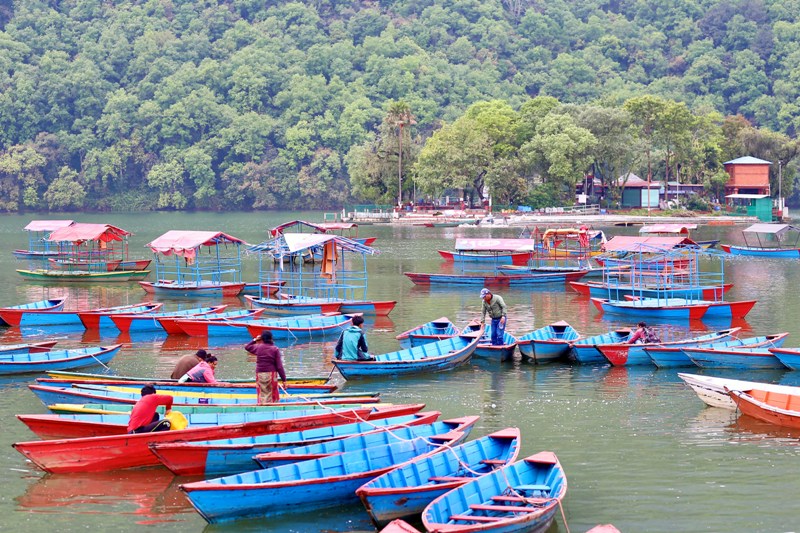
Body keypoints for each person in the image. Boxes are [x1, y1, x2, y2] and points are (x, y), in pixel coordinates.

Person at [245, 331, 287, 405]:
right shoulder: (275, 349)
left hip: (260, 373)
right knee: (272, 393)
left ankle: (262, 406)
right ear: (271, 339)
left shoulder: (258, 347)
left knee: (261, 392)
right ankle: (272, 407)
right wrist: (284, 380)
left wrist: (255, 340)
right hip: (271, 374)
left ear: (262, 339)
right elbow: (279, 366)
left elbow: (247, 347)